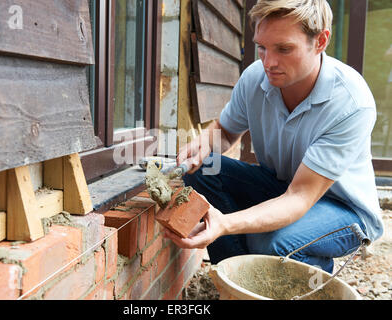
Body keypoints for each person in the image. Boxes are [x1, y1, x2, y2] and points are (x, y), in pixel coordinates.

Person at [164, 0, 384, 274]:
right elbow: (225, 132)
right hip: (282, 187)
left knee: (273, 241)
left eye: (284, 49)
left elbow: (300, 197)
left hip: (341, 208)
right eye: (262, 47)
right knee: (205, 168)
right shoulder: (255, 78)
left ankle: (308, 278)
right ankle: (237, 281)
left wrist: (226, 223)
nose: (269, 62)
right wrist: (203, 144)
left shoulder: (351, 103)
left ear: (321, 41)